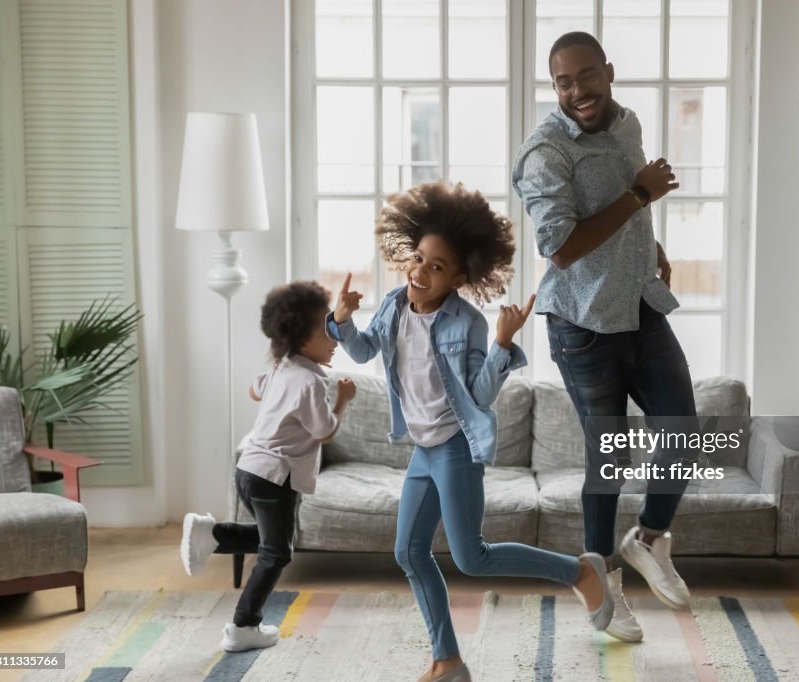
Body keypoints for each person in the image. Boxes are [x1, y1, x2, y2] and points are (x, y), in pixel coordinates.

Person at [327, 181, 613, 682]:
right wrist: (342, 320)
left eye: (437, 267)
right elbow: (364, 351)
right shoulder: (395, 305)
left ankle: (581, 573)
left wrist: (503, 344)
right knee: (409, 552)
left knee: (472, 558)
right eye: (418, 259)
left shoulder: (468, 324)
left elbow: (479, 396)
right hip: (422, 449)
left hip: (456, 448)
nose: (420, 272)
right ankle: (448, 660)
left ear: (461, 276)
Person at [512, 31, 699, 643]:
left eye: (586, 76)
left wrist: (653, 245)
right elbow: (562, 247)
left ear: (609, 72)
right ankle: (601, 588)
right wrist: (641, 192)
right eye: (564, 82)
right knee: (610, 454)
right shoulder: (544, 153)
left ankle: (646, 540)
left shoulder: (627, 124)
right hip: (584, 323)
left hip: (640, 306)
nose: (577, 92)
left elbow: (627, 210)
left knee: (684, 430)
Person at [179, 281, 357, 652]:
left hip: (250, 471)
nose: (334, 337)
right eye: (327, 329)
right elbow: (324, 432)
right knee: (278, 553)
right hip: (275, 478)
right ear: (301, 338)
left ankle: (211, 535)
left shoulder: (283, 366)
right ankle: (242, 627)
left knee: (270, 541)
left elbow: (253, 389)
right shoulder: (310, 381)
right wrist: (342, 400)